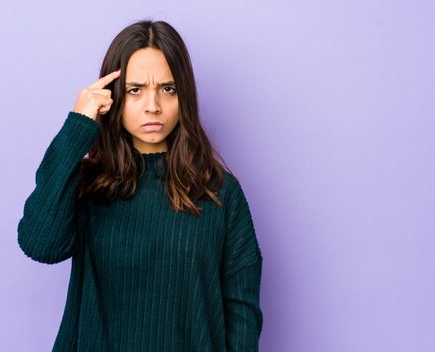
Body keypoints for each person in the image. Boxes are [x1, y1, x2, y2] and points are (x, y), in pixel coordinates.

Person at [17, 19, 263, 351]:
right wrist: (78, 125)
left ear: (183, 96)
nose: (153, 106)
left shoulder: (219, 191)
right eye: (135, 90)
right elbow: (40, 245)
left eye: (168, 89)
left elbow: (241, 313)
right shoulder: (90, 185)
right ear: (113, 96)